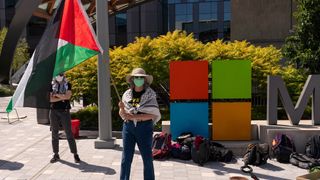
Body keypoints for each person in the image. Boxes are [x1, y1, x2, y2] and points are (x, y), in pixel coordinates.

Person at [119, 68, 161, 180]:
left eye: (141, 77)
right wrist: (122, 109)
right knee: (126, 158)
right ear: (132, 79)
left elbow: (153, 114)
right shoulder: (126, 94)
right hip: (128, 128)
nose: (138, 79)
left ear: (145, 79)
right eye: (136, 77)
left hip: (145, 128)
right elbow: (123, 114)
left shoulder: (150, 94)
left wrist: (134, 117)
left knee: (147, 158)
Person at [49, 73, 80, 163]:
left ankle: (75, 154)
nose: (59, 75)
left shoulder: (68, 84)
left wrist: (57, 95)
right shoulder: (51, 84)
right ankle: (56, 154)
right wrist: (62, 97)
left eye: (61, 74)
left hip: (65, 111)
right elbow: (50, 99)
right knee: (54, 133)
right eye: (57, 74)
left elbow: (68, 96)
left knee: (69, 133)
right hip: (53, 111)